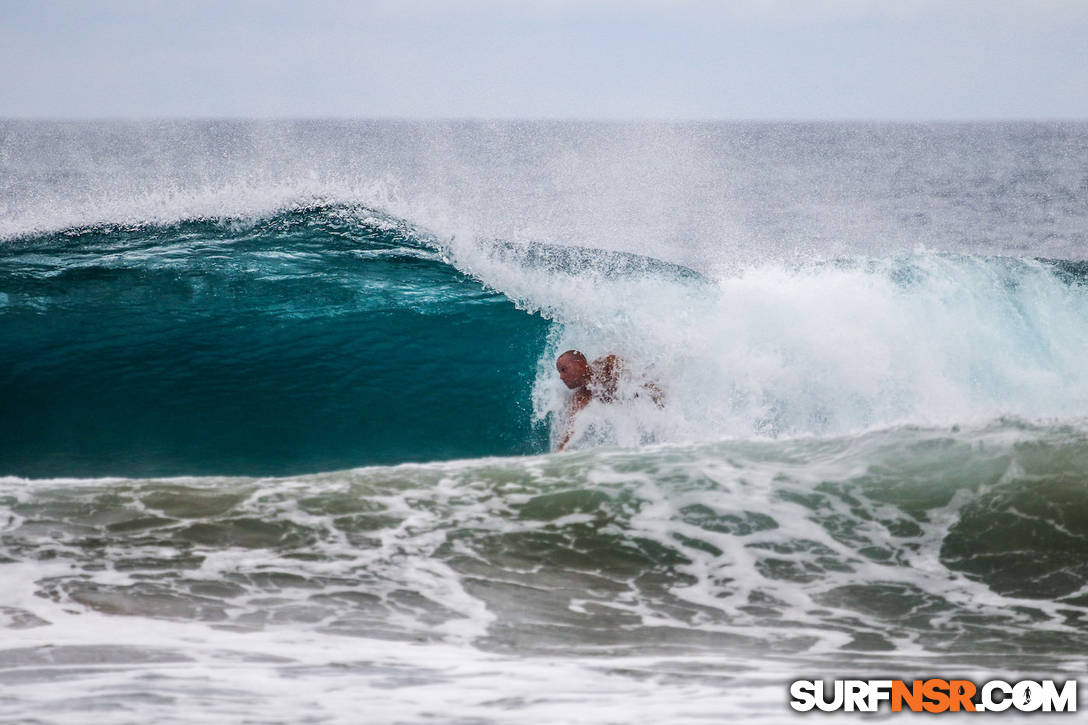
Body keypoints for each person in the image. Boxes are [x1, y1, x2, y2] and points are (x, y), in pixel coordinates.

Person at [555, 349, 663, 451]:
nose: (561, 377)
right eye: (559, 372)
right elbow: (571, 427)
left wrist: (661, 404)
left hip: (653, 393)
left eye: (564, 370)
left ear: (580, 364)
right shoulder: (582, 395)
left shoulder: (609, 365)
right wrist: (560, 450)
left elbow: (644, 379)